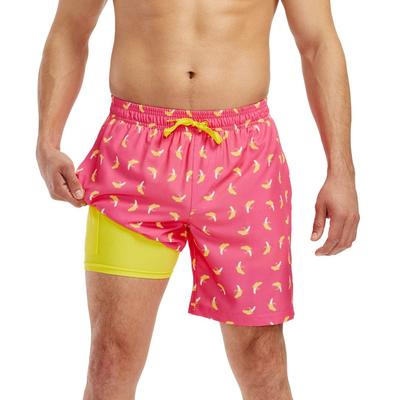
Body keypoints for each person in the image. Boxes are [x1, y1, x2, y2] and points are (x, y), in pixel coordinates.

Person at [36, 0, 360, 398]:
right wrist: (47, 142)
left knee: (262, 359)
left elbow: (318, 43)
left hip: (244, 161)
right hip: (133, 157)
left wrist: (341, 170)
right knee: (111, 360)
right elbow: (70, 30)